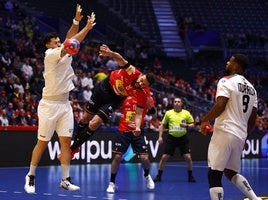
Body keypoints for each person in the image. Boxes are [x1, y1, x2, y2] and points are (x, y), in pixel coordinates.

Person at [24, 4, 96, 194]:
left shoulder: (66, 52)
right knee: (42, 143)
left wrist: (83, 25)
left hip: (65, 104)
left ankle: (65, 180)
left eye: (59, 41)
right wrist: (79, 26)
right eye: (56, 41)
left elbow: (71, 39)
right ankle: (30, 176)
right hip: (49, 105)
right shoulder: (50, 55)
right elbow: (70, 42)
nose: (59, 42)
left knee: (66, 143)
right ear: (48, 45)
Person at [68, 44, 155, 157]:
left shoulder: (143, 93)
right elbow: (120, 59)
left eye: (143, 84)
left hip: (115, 99)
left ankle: (72, 149)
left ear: (146, 86)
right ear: (141, 75)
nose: (140, 83)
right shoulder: (133, 71)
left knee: (95, 123)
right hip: (104, 88)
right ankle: (76, 143)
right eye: (141, 80)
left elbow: (138, 114)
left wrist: (138, 127)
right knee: (85, 118)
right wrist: (110, 53)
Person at [199, 54, 260, 200]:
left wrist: (205, 120)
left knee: (214, 174)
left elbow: (220, 105)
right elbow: (253, 118)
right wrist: (245, 136)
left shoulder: (226, 80)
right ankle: (255, 199)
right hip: (239, 135)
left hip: (225, 131)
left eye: (231, 61)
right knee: (231, 172)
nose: (227, 62)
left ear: (237, 66)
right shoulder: (252, 89)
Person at [106, 96, 156, 193]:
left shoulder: (147, 97)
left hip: (138, 131)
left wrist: (150, 105)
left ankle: (147, 175)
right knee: (117, 157)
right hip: (123, 131)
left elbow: (154, 116)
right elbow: (112, 105)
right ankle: (112, 183)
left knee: (144, 158)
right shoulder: (125, 96)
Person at [154, 97, 196, 183]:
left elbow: (193, 124)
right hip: (171, 138)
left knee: (188, 157)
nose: (176, 103)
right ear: (173, 103)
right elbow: (162, 125)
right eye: (175, 102)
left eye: (178, 102)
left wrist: (187, 126)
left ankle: (190, 176)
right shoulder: (168, 113)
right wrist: (160, 136)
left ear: (181, 104)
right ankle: (159, 176)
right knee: (164, 157)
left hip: (183, 138)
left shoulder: (186, 113)